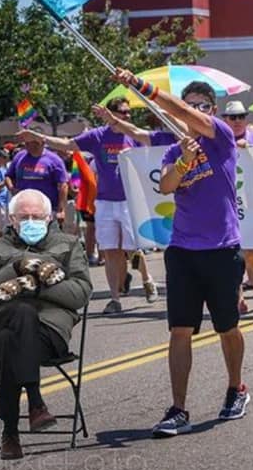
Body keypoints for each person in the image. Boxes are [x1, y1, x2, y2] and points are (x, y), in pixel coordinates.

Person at [109, 68, 249, 436]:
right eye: (189, 107)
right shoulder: (175, 148)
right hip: (183, 250)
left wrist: (140, 86)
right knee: (180, 331)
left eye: (201, 107)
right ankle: (178, 408)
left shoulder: (220, 136)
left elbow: (185, 116)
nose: (193, 113)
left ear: (212, 110)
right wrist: (185, 160)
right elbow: (169, 184)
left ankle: (236, 388)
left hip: (222, 249)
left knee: (227, 327)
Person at [0, 189, 92, 460]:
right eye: (24, 216)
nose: (31, 221)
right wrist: (15, 268)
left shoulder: (69, 244)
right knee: (18, 317)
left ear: (48, 218)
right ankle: (35, 402)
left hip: (48, 333)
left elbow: (80, 293)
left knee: (13, 334)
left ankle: (10, 433)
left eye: (37, 216)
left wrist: (32, 287)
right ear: (11, 219)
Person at [17, 97, 158, 314]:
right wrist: (39, 137)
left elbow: (151, 154)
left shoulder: (134, 135)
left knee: (131, 249)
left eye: (129, 112)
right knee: (110, 250)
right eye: (123, 112)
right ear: (110, 113)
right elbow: (68, 145)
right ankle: (114, 299)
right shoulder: (98, 136)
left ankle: (147, 278)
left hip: (129, 202)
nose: (127, 115)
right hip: (105, 202)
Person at [219, 100, 253, 312]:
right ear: (225, 119)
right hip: (227, 202)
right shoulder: (220, 137)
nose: (238, 121)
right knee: (233, 254)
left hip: (252, 200)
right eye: (233, 117)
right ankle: (238, 297)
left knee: (251, 251)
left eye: (241, 116)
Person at [7, 128, 69, 226]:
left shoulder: (54, 160)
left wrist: (61, 210)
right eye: (25, 143)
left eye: (29, 143)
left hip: (46, 209)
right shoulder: (19, 157)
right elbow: (8, 176)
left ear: (39, 143)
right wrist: (12, 188)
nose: (26, 146)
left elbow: (63, 185)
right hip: (23, 209)